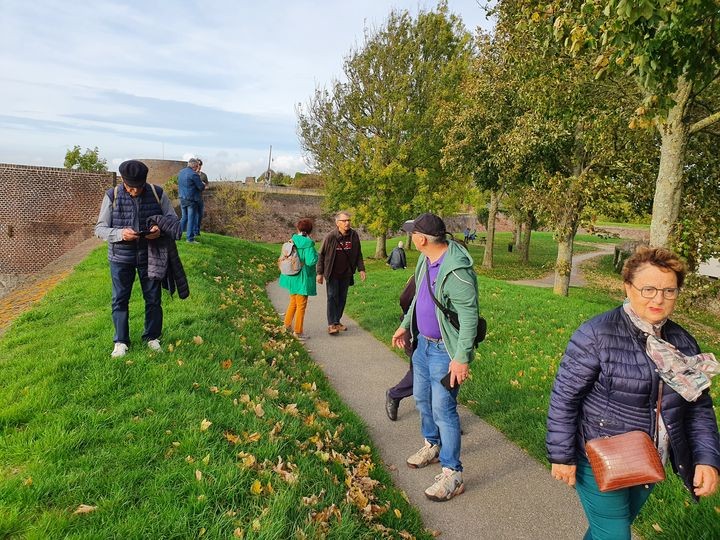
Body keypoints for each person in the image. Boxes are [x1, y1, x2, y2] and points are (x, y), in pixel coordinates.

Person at [547, 247, 720, 540]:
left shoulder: (682, 342)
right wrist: (561, 456)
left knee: (608, 532)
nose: (658, 299)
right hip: (600, 458)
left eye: (669, 290)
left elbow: (698, 408)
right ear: (628, 287)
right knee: (614, 535)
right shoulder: (597, 334)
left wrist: (707, 459)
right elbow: (565, 397)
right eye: (648, 289)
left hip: (650, 460)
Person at [391, 212, 479, 502]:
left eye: (413, 233)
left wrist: (461, 358)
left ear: (421, 239)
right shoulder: (424, 259)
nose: (410, 236)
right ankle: (432, 444)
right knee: (421, 399)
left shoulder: (457, 271)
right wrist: (406, 325)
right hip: (423, 347)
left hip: (445, 352)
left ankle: (453, 473)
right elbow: (419, 297)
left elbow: (470, 318)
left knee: (444, 409)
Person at [95, 160, 180, 358]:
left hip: (150, 254)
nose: (134, 191)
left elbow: (173, 220)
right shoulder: (112, 195)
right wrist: (120, 234)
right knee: (120, 299)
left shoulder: (158, 193)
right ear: (123, 182)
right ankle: (121, 341)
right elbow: (99, 229)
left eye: (138, 187)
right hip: (120, 257)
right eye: (130, 187)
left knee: (153, 298)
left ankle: (152, 337)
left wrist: (159, 230)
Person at [316, 211, 366, 334]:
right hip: (332, 273)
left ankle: (337, 321)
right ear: (337, 223)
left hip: (346, 273)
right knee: (332, 297)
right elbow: (321, 255)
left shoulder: (354, 235)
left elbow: (358, 253)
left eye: (348, 220)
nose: (347, 223)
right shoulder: (330, 236)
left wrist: (361, 269)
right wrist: (319, 273)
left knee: (342, 298)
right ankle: (331, 324)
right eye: (344, 221)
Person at [279, 218, 318, 341]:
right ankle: (298, 332)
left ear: (298, 228)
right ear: (310, 230)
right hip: (303, 278)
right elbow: (311, 261)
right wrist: (317, 255)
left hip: (292, 276)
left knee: (293, 302)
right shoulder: (308, 244)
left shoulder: (292, 240)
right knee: (301, 305)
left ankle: (286, 326)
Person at [385, 275, 416, 420]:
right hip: (417, 334)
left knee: (441, 377)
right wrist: (407, 323)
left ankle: (446, 419)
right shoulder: (424, 272)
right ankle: (394, 394)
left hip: (444, 339)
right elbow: (405, 300)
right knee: (419, 374)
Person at [178, 158, 205, 243]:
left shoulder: (181, 172)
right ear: (195, 166)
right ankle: (190, 239)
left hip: (182, 198)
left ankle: (177, 234)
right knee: (191, 219)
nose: (197, 168)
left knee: (184, 217)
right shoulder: (194, 174)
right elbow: (201, 187)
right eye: (197, 166)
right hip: (191, 199)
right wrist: (203, 184)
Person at [194, 159, 210, 238]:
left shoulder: (203, 175)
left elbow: (207, 186)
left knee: (200, 215)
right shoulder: (192, 174)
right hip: (192, 197)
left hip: (200, 197)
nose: (199, 166)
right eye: (197, 164)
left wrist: (203, 186)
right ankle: (193, 231)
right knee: (192, 215)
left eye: (200, 165)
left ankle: (197, 231)